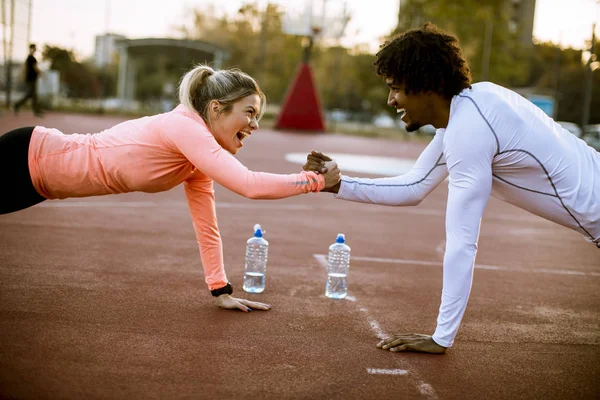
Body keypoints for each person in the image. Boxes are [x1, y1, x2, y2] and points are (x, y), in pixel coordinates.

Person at [304, 23, 600, 354]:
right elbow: (414, 186)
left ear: (425, 86)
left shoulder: (468, 129)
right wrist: (339, 184)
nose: (390, 100)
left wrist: (441, 336)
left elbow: (462, 243)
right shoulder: (472, 108)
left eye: (396, 88)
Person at [0, 64, 341, 313]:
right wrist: (314, 181)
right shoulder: (184, 127)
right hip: (27, 154)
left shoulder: (196, 160)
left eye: (258, 116)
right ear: (215, 109)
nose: (255, 124)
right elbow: (248, 184)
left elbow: (207, 227)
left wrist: (220, 289)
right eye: (249, 112)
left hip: (39, 185)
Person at [13, 43, 43, 117]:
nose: (35, 50)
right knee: (31, 94)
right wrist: (41, 73)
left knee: (32, 95)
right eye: (34, 48)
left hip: (31, 79)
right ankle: (17, 105)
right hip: (31, 79)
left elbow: (26, 68)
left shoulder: (29, 58)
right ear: (32, 49)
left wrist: (24, 76)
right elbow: (34, 68)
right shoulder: (31, 58)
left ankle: (36, 110)